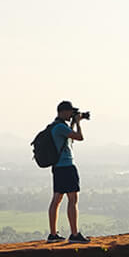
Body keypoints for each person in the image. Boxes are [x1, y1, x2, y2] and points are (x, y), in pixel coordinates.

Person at [47, 100, 88, 242]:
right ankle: (75, 234)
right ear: (63, 112)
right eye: (70, 112)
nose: (72, 114)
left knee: (57, 199)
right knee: (73, 199)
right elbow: (79, 137)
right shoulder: (60, 127)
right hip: (67, 166)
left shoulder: (56, 126)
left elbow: (69, 139)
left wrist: (73, 123)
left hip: (58, 168)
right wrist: (78, 123)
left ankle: (53, 234)